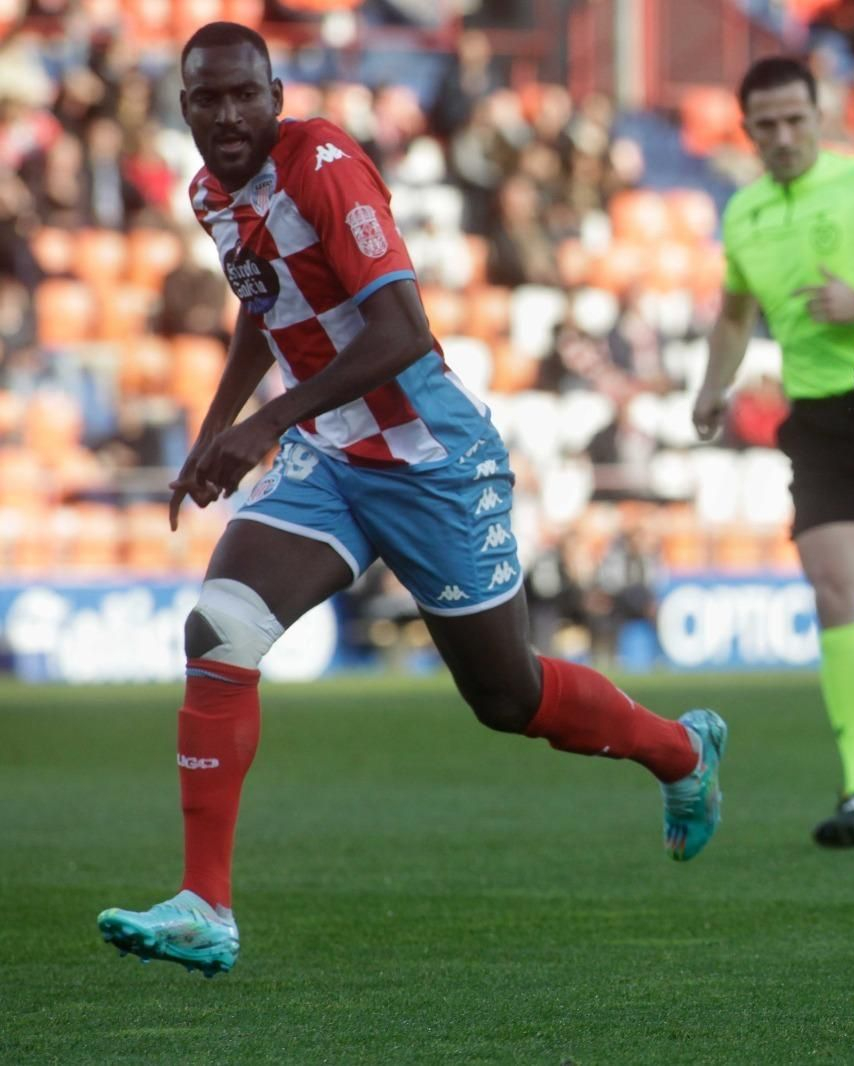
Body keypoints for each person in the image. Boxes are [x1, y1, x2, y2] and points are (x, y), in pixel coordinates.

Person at [96, 22, 726, 978]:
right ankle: (206, 905)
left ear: (275, 93)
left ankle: (679, 751)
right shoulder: (209, 195)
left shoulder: (326, 165)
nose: (227, 115)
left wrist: (264, 426)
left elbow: (400, 330)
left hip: (430, 459)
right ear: (182, 107)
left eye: (244, 95)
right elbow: (264, 308)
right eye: (205, 99)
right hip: (330, 458)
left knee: (506, 696)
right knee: (219, 626)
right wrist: (218, 426)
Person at [693, 56, 854, 848]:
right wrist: (713, 385)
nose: (781, 136)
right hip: (819, 423)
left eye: (794, 119)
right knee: (835, 590)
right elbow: (735, 314)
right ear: (747, 131)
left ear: (820, 112)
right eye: (765, 125)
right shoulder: (743, 214)